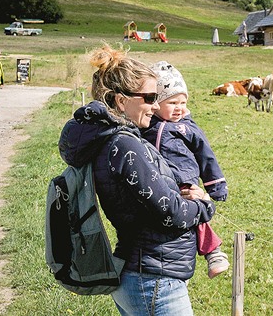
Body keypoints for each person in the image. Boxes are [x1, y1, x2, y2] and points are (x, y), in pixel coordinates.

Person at [58, 44, 215, 316]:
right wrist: (204, 206)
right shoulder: (125, 146)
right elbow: (171, 214)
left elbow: (150, 199)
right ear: (121, 101)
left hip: (143, 272)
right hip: (153, 278)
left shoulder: (115, 140)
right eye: (150, 97)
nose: (156, 106)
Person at [142, 61, 230, 279]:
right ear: (157, 102)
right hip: (159, 178)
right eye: (172, 102)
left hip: (184, 179)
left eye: (183, 102)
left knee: (194, 211)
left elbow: (205, 155)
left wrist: (216, 186)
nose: (179, 108)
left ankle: (213, 252)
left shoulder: (187, 127)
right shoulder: (146, 124)